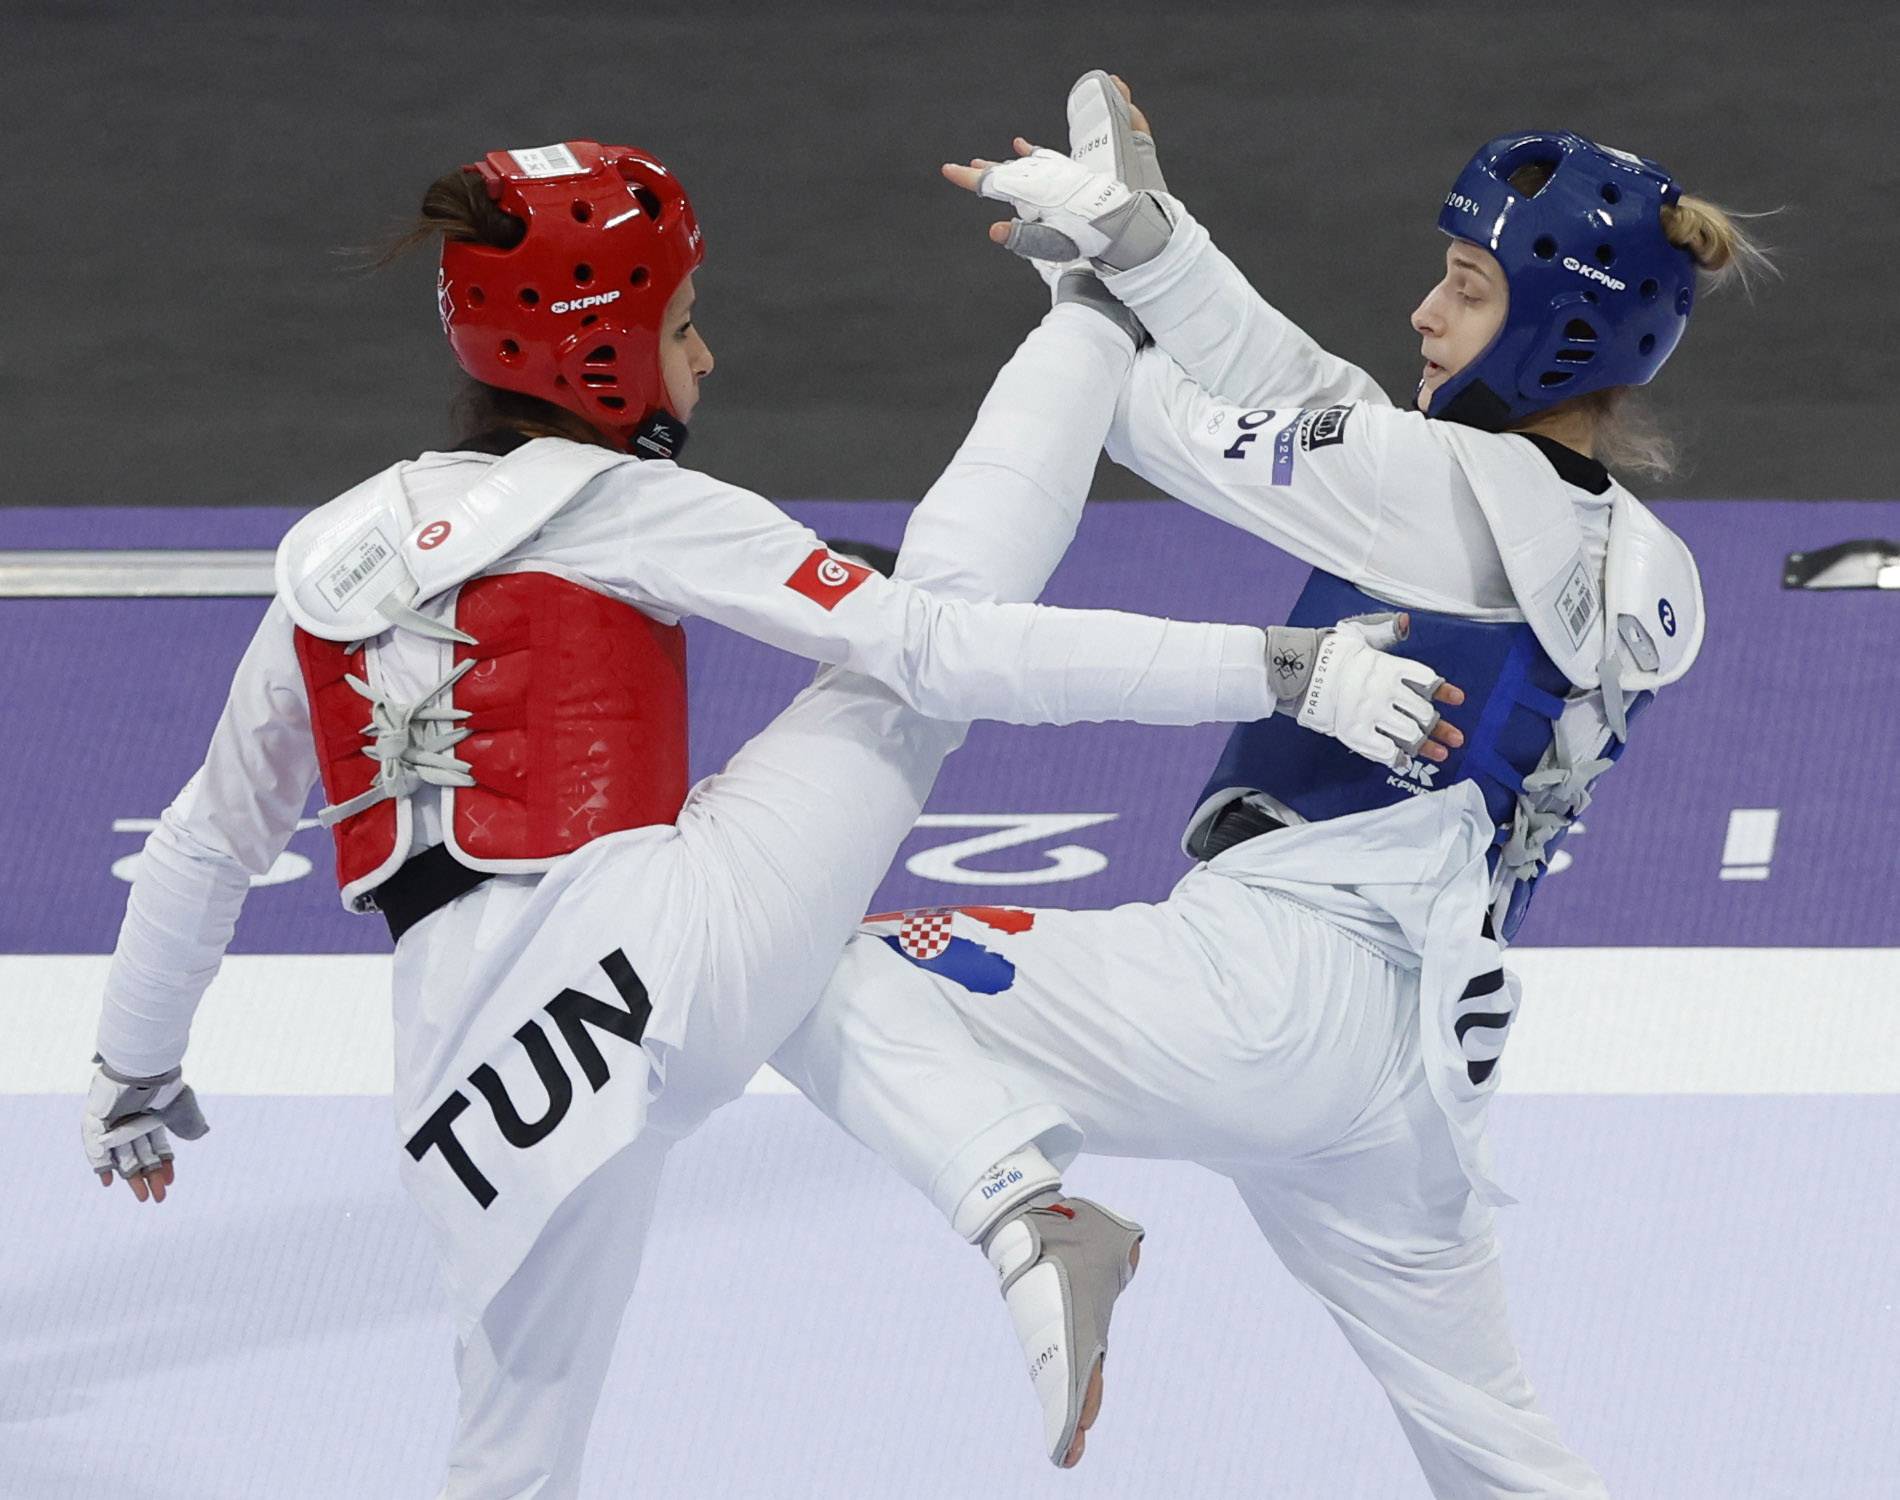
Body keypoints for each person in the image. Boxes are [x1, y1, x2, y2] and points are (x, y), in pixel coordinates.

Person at [80, 137, 1461, 1497]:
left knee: (504, 1466)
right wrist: (1280, 669)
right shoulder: (633, 506)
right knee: (921, 653)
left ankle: (1024, 1217)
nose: (708, 359)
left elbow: (211, 842)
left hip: (471, 1080)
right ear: (600, 353)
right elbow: (944, 648)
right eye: (683, 325)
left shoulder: (327, 560)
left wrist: (134, 1077)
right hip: (683, 946)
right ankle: (1093, 316)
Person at [777, 74, 1770, 1495]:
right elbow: (1323, 405)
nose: (1427, 314)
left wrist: (1099, 282)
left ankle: (1025, 1215)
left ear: (1557, 332)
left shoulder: (1433, 493)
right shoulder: (1641, 563)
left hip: (1271, 993)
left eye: (1468, 288)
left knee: (805, 964)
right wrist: (1143, 245)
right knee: (1504, 1462)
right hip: (1424, 1083)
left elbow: (1160, 413)